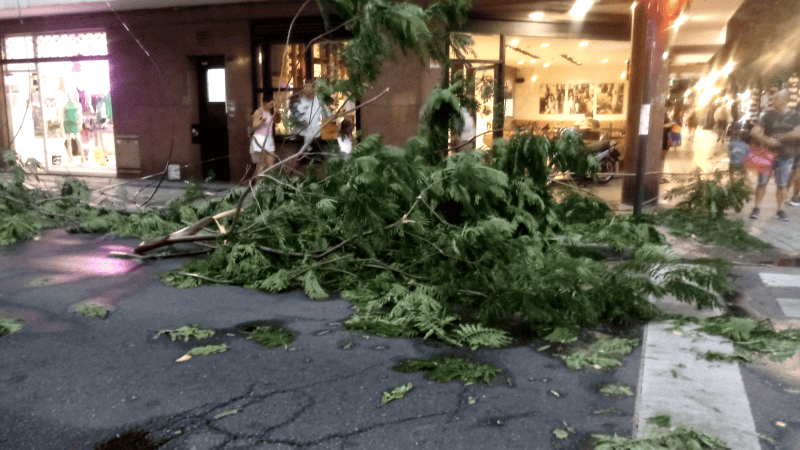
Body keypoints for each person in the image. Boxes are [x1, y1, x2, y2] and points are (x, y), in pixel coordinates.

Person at [749, 90, 800, 221]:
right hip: (766, 153)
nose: (773, 100)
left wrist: (779, 137)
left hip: (786, 155)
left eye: (776, 98)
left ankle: (780, 209)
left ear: (785, 99)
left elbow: (798, 133)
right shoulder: (767, 115)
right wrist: (766, 140)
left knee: (782, 184)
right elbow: (755, 131)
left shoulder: (795, 116)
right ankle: (756, 208)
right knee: (761, 183)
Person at [249, 98, 281, 173]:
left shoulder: (270, 111)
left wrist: (277, 110)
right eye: (271, 104)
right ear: (264, 103)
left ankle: (268, 180)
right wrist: (262, 122)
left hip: (269, 138)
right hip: (260, 137)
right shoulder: (259, 112)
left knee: (270, 162)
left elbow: (278, 121)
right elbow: (255, 126)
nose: (272, 106)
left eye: (273, 104)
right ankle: (259, 182)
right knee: (261, 163)